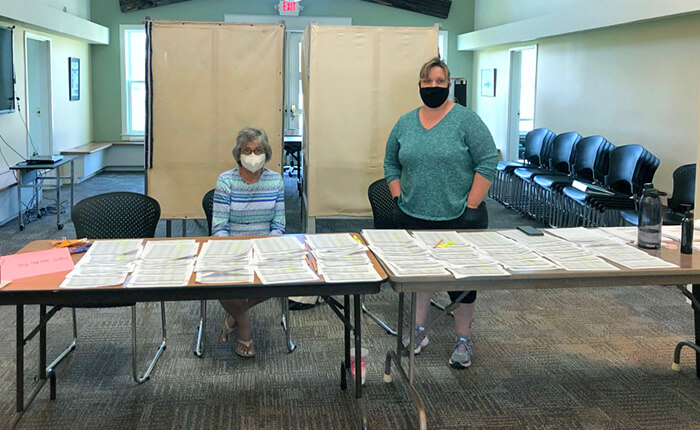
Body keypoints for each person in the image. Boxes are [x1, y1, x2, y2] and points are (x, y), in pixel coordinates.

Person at [383, 57, 498, 369]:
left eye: (439, 82)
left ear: (449, 85)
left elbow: (488, 160)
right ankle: (419, 330)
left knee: (461, 282)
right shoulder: (406, 122)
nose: (433, 87)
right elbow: (391, 163)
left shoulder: (466, 120)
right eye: (427, 82)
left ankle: (463, 338)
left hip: (458, 216)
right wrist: (397, 194)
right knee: (420, 277)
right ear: (420, 85)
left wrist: (471, 205)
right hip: (414, 214)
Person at [212, 127, 285, 358]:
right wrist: (234, 251)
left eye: (258, 150)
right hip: (232, 248)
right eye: (247, 150)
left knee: (278, 281)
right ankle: (243, 325)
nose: (253, 156)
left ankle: (233, 315)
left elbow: (279, 227)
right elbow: (219, 228)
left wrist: (266, 248)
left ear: (267, 153)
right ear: (238, 153)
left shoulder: (276, 181)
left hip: (265, 248)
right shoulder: (225, 181)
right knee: (218, 282)